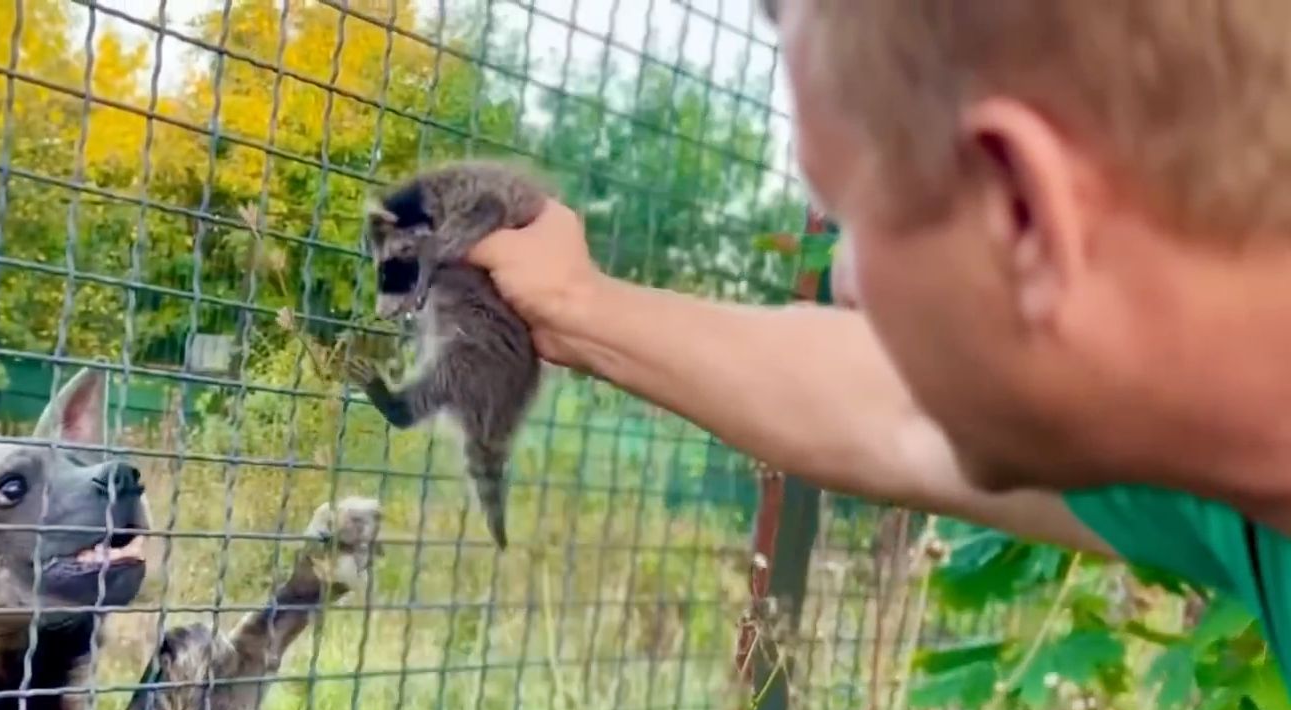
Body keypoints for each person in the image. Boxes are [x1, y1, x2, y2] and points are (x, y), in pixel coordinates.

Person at [465, 0, 1291, 670]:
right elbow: (890, 414)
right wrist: (577, 305)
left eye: (851, 212)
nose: (845, 281)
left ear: (1024, 213)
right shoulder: (1237, 475)